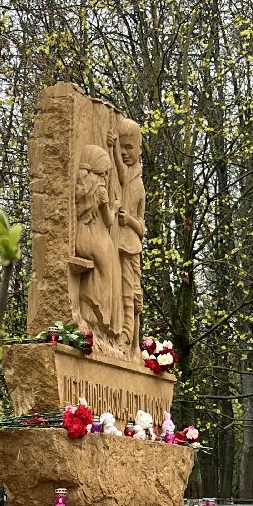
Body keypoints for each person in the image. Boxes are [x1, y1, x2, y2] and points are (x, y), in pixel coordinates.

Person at [72, 144, 123, 351]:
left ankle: (90, 315)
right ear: (100, 171)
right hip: (95, 237)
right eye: (105, 172)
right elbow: (109, 220)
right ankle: (96, 317)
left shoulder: (81, 185)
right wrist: (115, 207)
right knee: (108, 272)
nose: (107, 176)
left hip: (81, 236)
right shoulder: (100, 189)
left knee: (102, 271)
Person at [113, 117, 146, 349]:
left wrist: (130, 220)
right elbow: (122, 173)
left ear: (139, 149)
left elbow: (142, 227)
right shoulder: (127, 176)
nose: (124, 153)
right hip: (118, 242)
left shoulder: (139, 185)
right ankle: (123, 334)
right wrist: (113, 147)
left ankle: (130, 338)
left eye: (129, 147)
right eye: (121, 147)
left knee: (132, 294)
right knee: (121, 290)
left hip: (131, 245)